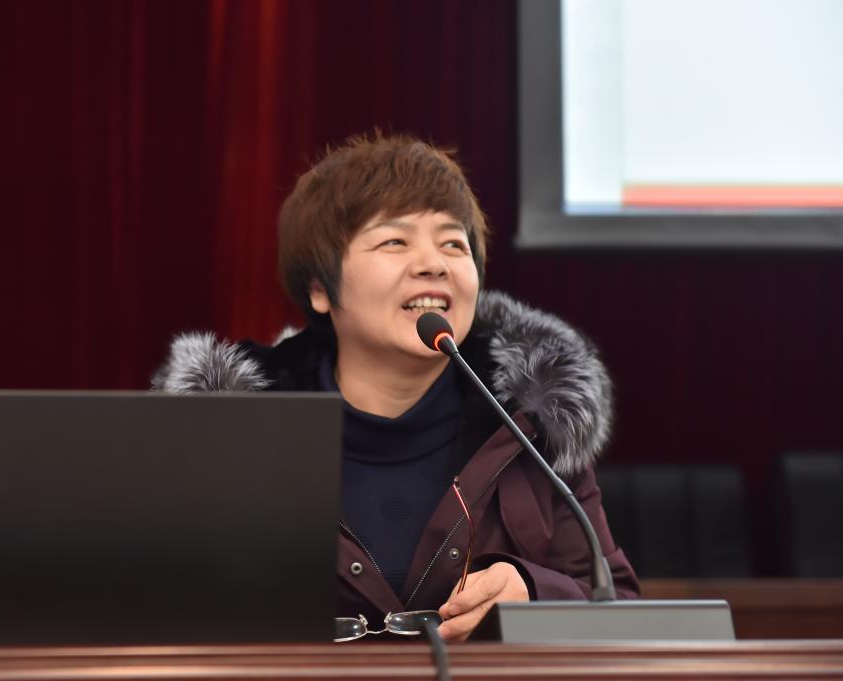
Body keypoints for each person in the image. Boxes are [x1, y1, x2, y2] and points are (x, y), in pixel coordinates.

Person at [152, 133, 639, 641]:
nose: (434, 264)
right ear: (320, 290)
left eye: (453, 244)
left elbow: (620, 609)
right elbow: (155, 612)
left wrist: (535, 593)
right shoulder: (228, 437)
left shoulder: (529, 426)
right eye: (394, 242)